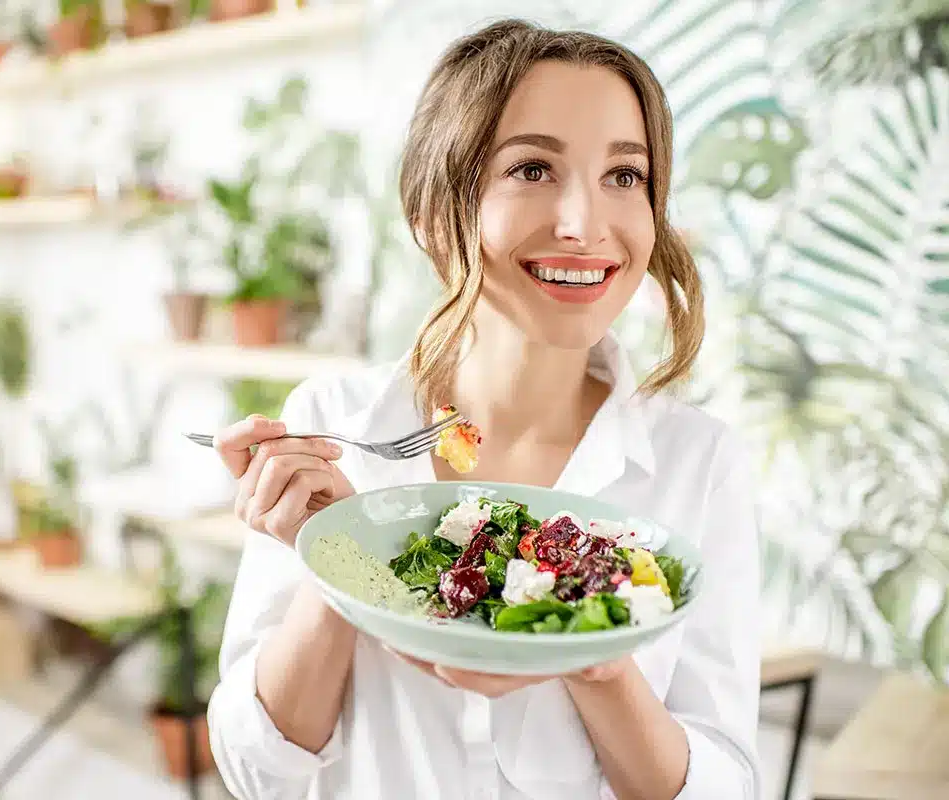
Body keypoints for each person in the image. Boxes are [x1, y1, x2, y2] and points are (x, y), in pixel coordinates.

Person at [206, 19, 761, 800]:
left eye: (625, 177)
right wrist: (339, 564)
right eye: (532, 168)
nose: (584, 224)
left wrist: (600, 664)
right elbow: (258, 770)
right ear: (434, 215)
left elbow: (725, 785)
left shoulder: (700, 465)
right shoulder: (336, 424)